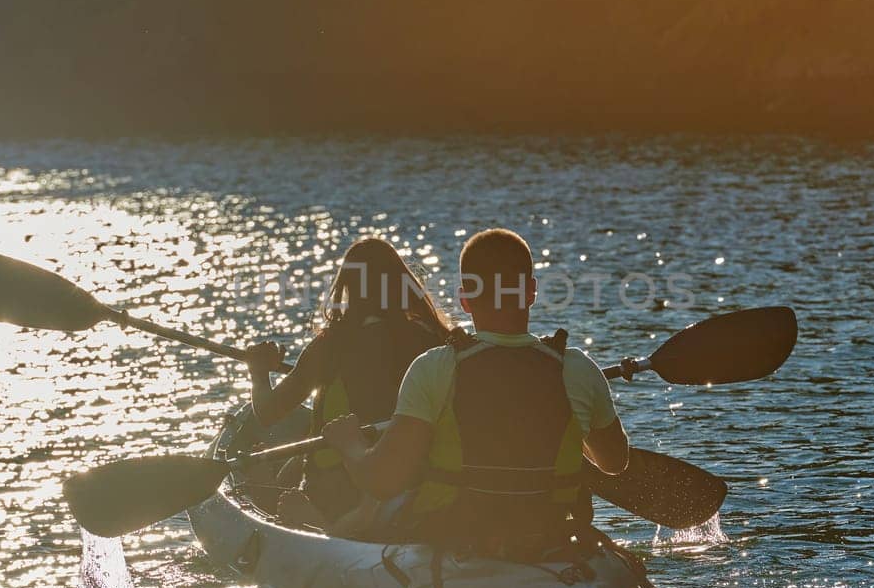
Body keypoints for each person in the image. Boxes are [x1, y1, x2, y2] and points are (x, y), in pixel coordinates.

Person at [321, 228, 629, 558]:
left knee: (353, 521)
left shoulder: (434, 368)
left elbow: (383, 482)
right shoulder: (578, 369)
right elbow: (614, 461)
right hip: (548, 539)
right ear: (531, 293)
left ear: (464, 299)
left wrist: (349, 444)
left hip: (456, 544)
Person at [243, 236, 450, 530]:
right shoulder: (432, 338)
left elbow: (267, 412)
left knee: (279, 468)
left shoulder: (331, 345)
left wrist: (259, 372)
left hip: (343, 487)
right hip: (414, 479)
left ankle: (314, 516)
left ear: (349, 287)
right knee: (298, 454)